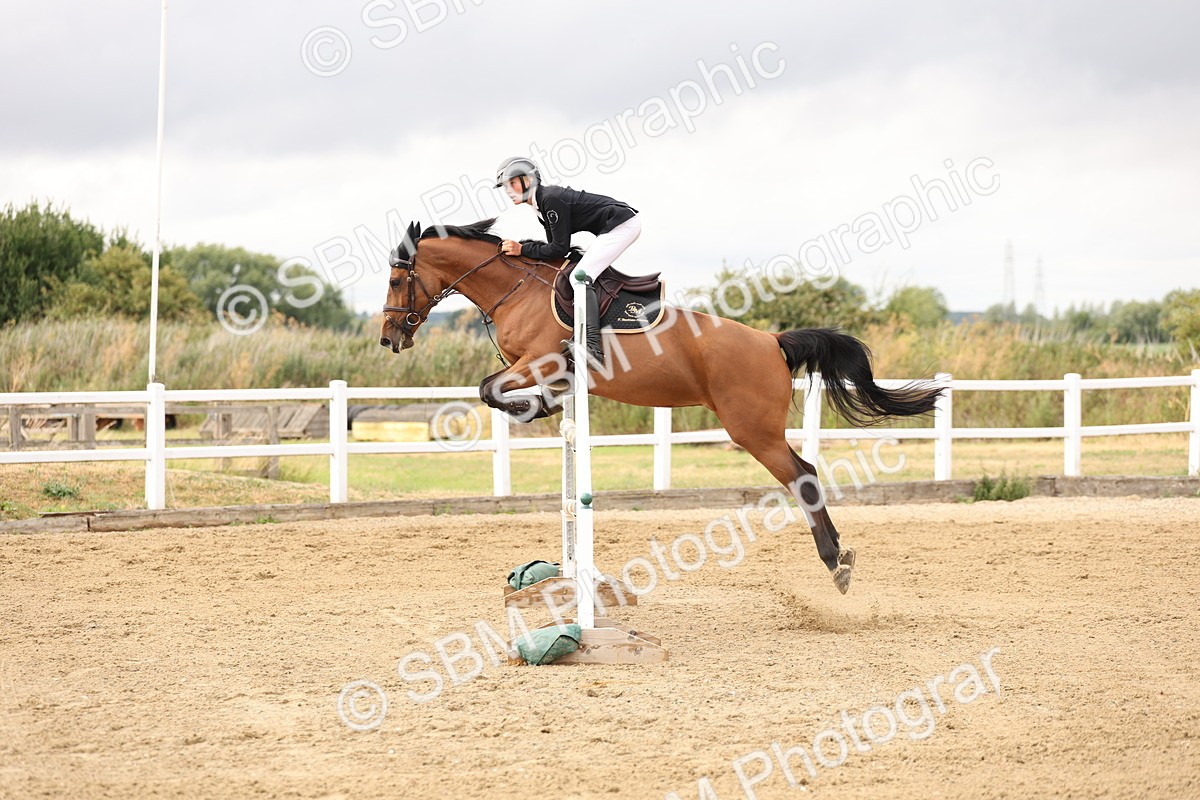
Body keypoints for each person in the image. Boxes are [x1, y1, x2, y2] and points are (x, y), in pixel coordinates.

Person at [494, 156, 640, 367]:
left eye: (512, 183)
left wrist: (522, 249)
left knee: (580, 278)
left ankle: (592, 347)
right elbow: (555, 250)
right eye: (506, 186)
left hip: (623, 225)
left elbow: (558, 248)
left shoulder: (550, 199)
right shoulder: (540, 205)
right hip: (612, 226)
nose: (508, 191)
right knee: (576, 272)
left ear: (528, 180)